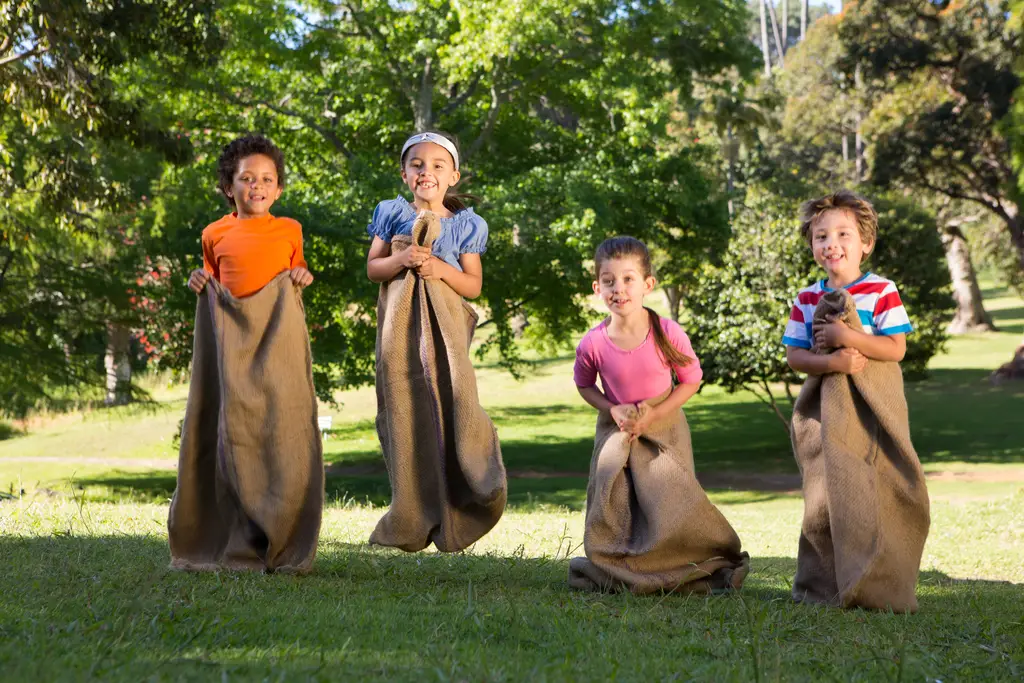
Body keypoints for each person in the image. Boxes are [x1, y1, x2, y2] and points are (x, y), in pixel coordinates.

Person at [168, 134, 323, 574]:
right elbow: (213, 283)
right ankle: (227, 538)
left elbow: (297, 272)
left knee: (279, 430)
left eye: (267, 179)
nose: (257, 186)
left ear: (278, 189)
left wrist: (301, 274)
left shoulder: (289, 229)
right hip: (231, 350)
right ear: (228, 187)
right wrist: (199, 280)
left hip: (275, 344)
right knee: (230, 436)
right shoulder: (214, 233)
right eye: (247, 178)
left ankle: (281, 533)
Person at [568, 236, 749, 594]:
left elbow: (691, 380)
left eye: (628, 279)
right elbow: (585, 386)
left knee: (669, 504)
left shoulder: (667, 333)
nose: (618, 289)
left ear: (648, 284)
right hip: (619, 431)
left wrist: (655, 413)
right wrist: (611, 409)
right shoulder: (592, 343)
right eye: (609, 281)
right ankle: (626, 566)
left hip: (665, 430)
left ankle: (680, 562)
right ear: (597, 287)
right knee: (618, 502)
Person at [785, 189, 930, 612]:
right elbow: (795, 357)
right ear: (812, 246)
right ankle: (821, 587)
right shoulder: (806, 299)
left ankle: (881, 585)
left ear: (865, 242)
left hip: (874, 411)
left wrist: (847, 337)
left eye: (843, 234)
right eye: (821, 236)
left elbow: (895, 349)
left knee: (879, 490)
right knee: (826, 496)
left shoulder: (881, 290)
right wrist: (831, 362)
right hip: (827, 415)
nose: (832, 243)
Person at [364, 131, 506, 553]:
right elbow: (374, 269)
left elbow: (473, 284)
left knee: (452, 404)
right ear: (405, 174)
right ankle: (408, 511)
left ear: (454, 176)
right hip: (400, 334)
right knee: (405, 412)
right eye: (418, 165)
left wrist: (440, 270)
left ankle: (466, 496)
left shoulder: (465, 224)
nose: (427, 172)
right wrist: (402, 260)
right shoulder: (391, 213)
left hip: (444, 334)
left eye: (437, 165)